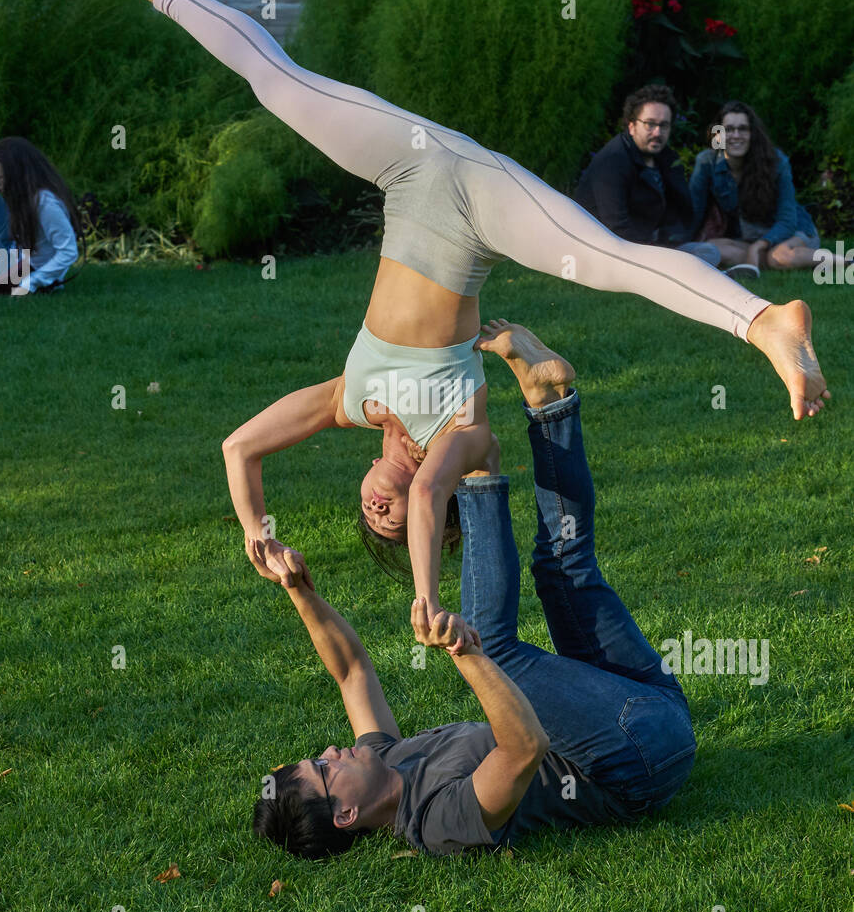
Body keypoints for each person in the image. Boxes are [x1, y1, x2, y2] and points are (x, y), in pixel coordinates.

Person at [63, 0, 830, 625]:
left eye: (373, 515)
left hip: (407, 166)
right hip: (476, 205)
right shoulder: (459, 438)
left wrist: (255, 531)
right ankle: (763, 320)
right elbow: (430, 496)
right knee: (606, 259)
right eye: (388, 522)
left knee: (277, 85)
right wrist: (426, 597)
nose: (381, 510)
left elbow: (240, 448)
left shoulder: (348, 404)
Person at [251, 323, 696, 859]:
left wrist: (301, 592)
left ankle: (550, 400)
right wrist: (466, 653)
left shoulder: (386, 756)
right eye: (323, 769)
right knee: (495, 646)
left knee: (564, 567)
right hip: (637, 760)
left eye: (317, 756)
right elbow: (525, 749)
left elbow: (352, 673)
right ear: (344, 814)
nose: (329, 751)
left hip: (649, 700)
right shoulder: (436, 823)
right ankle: (481, 471)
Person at [574, 84, 721, 266]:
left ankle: (696, 272)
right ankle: (704, 274)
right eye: (650, 124)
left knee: (708, 252)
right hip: (609, 252)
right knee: (695, 259)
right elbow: (616, 227)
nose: (657, 132)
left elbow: (680, 214)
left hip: (651, 248)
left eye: (664, 125)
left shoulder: (667, 160)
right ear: (632, 125)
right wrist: (654, 251)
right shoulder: (613, 160)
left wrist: (668, 243)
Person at [690, 102, 828, 274]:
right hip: (751, 236)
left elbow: (787, 220)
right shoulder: (707, 162)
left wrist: (757, 247)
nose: (736, 135)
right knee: (711, 247)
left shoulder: (776, 161)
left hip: (792, 231)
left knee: (780, 257)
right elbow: (694, 211)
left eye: (743, 129)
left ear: (752, 133)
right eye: (729, 129)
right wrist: (675, 247)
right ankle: (765, 259)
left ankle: (846, 261)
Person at [0, 137, 80, 295]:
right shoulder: (28, 186)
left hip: (20, 270)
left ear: (16, 175)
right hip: (15, 251)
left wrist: (33, 282)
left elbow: (68, 251)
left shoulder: (46, 203)